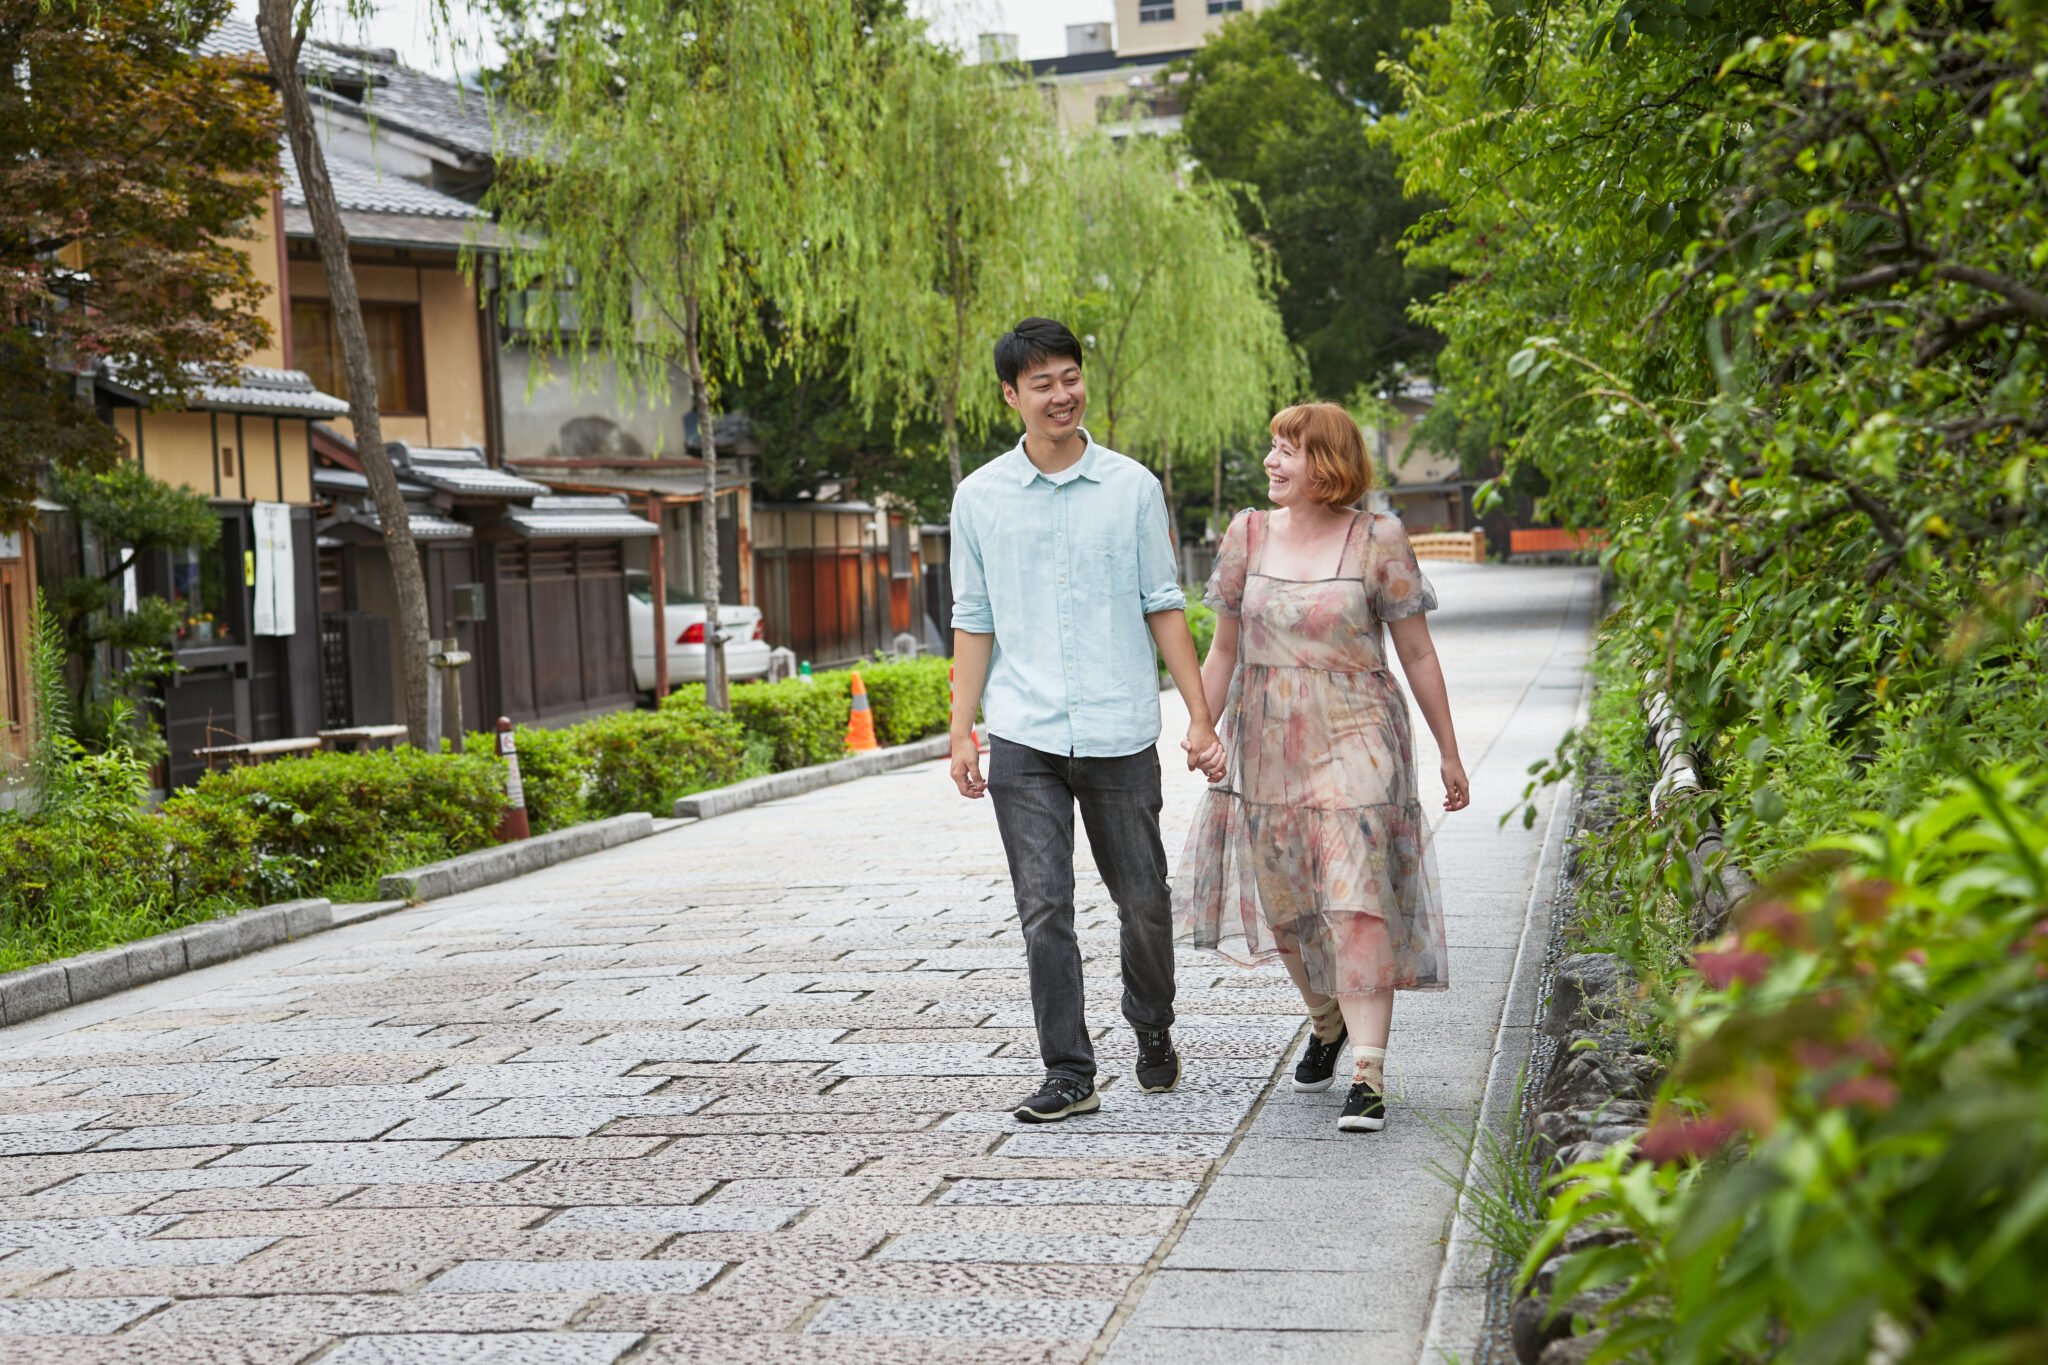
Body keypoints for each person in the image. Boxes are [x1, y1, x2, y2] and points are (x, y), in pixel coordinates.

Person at [949, 317, 1227, 1125]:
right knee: (1044, 906)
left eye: (1069, 377)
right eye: (1042, 383)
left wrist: (1200, 717)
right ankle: (1069, 1070)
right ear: (1011, 396)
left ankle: (1152, 1021)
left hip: (1118, 727)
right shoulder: (979, 498)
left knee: (1143, 900)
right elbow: (974, 617)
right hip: (1023, 732)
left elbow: (1163, 603)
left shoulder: (1132, 487)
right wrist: (962, 728)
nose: (1061, 394)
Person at [1174, 402, 1468, 1132]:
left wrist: (1449, 751)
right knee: (1289, 904)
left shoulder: (1379, 539)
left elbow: (1417, 651)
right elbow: (1223, 648)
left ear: (1327, 464)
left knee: (1355, 894)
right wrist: (1201, 724)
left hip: (1358, 736)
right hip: (1268, 742)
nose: (1271, 461)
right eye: (1272, 446)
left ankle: (1368, 1071)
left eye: (1288, 450)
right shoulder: (1246, 534)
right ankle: (1326, 1018)